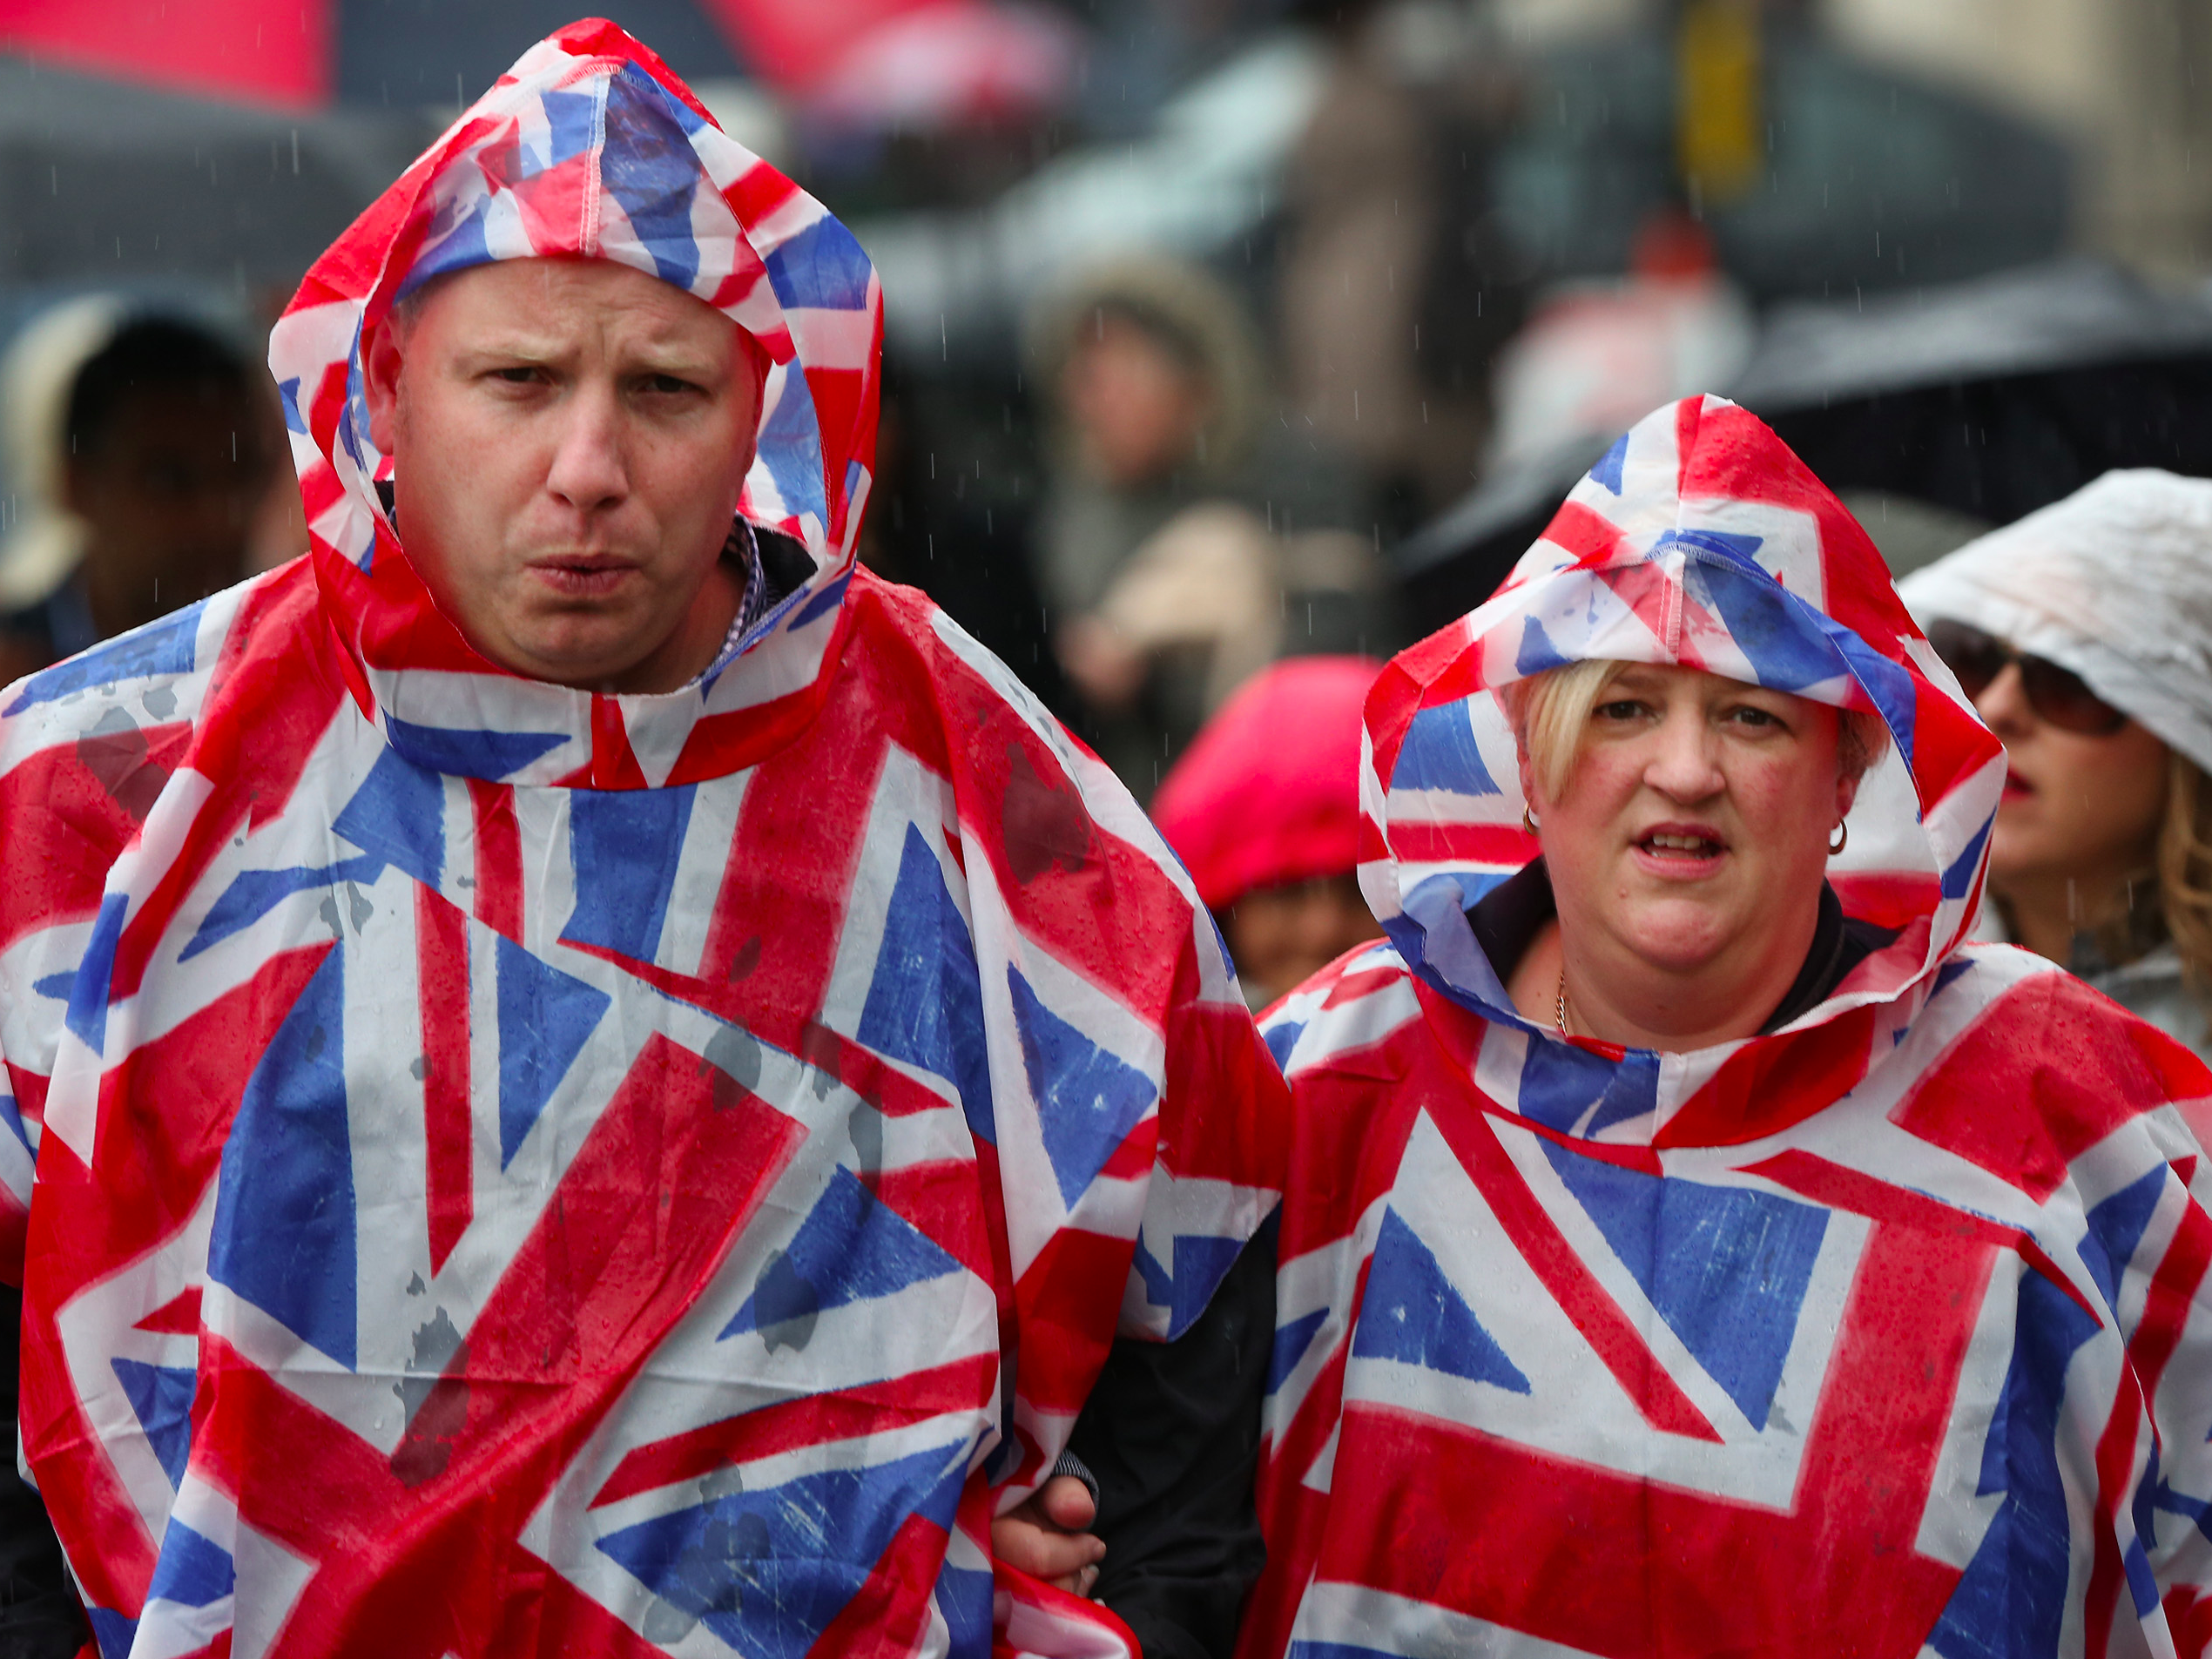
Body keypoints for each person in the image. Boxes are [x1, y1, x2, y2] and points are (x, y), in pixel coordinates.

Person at [0, 24, 1286, 1653]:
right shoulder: (103, 786)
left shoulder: (969, 775)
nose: (588, 471)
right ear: (387, 384)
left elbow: (1202, 1221)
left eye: (665, 390)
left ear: (765, 407)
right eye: (519, 381)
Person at [1235, 397, 2212, 1656]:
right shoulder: (1322, 1080)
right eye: (1624, 706)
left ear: (1849, 771)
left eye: (1751, 713)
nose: (1685, 770)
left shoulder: (2073, 1110)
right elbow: (1143, 1511)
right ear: (1532, 763)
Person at [1900, 470, 2212, 1059]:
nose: (1997, 706)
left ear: (2185, 739)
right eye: (1972, 656)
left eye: (2069, 681)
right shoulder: (1867, 988)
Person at [0, 304, 280, 685]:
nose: (216, 514)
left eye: (240, 470)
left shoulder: (302, 660)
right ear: (75, 485)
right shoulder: (12, 674)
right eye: (170, 480)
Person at [1150, 656, 1383, 1008]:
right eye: (1287, 892)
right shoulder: (1174, 1061)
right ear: (1221, 914)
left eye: (1365, 891)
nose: (1325, 931)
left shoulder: (1487, 1054)